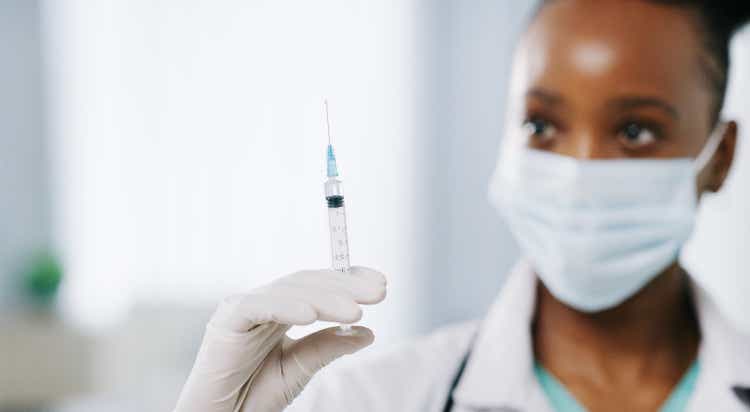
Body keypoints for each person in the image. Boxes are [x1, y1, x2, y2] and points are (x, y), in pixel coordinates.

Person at [174, 1, 750, 411]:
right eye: (541, 123)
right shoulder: (372, 400)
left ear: (719, 157)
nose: (577, 170)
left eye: (634, 131)